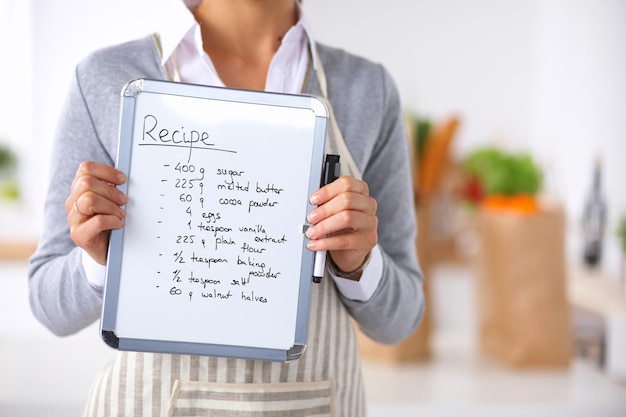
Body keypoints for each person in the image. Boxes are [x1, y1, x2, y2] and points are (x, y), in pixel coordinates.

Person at [28, 0, 425, 415]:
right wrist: (100, 259)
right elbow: (48, 305)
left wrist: (359, 264)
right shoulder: (104, 78)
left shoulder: (368, 88)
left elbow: (401, 319)